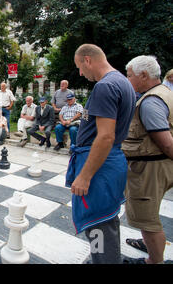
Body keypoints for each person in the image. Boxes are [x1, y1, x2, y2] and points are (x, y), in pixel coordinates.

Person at [66, 44, 136, 264]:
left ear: (88, 60)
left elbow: (105, 136)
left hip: (99, 166)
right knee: (105, 219)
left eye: (79, 67)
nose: (80, 73)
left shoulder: (105, 86)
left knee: (97, 222)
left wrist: (85, 175)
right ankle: (102, 259)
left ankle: (104, 261)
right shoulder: (123, 82)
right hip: (109, 161)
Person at [121, 55, 173, 264]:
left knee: (147, 220)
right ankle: (149, 243)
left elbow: (166, 142)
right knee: (150, 215)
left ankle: (154, 260)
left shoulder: (150, 102)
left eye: (130, 75)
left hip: (151, 169)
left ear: (144, 75)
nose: (128, 79)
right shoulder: (164, 92)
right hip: (157, 165)